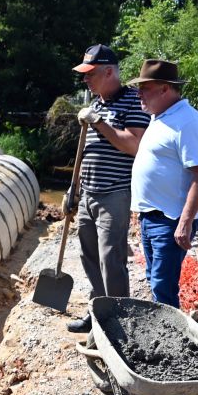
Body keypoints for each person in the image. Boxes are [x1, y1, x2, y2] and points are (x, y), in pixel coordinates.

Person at [66, 44, 152, 333]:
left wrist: (98, 122)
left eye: (90, 74)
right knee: (88, 257)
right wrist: (73, 189)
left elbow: (133, 144)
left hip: (114, 193)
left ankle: (120, 323)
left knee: (110, 260)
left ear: (109, 71)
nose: (85, 80)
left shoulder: (133, 102)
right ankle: (98, 312)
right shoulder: (97, 104)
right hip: (88, 192)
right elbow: (86, 153)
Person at [128, 59, 198, 308]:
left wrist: (185, 222)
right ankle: (163, 337)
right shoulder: (159, 117)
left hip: (170, 219)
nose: (139, 94)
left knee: (163, 288)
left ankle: (169, 343)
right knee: (154, 280)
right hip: (151, 216)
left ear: (165, 89)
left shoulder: (188, 121)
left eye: (145, 88)